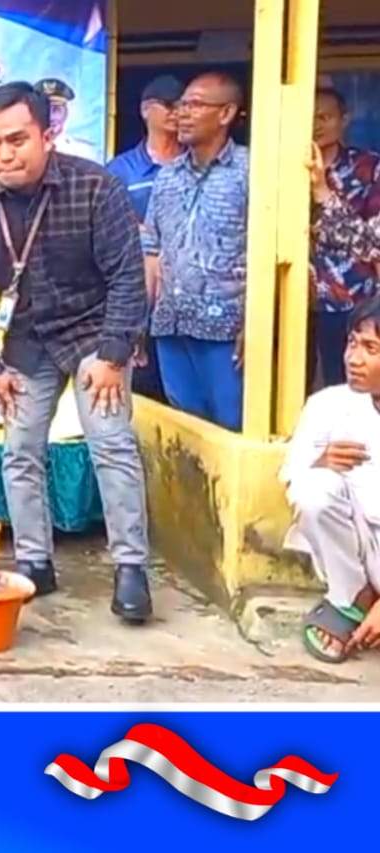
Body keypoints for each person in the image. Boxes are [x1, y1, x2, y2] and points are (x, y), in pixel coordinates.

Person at [0, 81, 152, 623]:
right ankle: (35, 561)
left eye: (17, 139)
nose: (4, 153)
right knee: (19, 450)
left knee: (110, 444)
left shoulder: (95, 188)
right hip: (25, 342)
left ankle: (131, 568)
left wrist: (113, 354)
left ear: (48, 134)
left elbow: (128, 278)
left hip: (93, 337)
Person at [143, 72, 249, 432]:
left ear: (226, 113)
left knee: (230, 428)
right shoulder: (167, 176)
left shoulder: (252, 171)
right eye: (180, 105)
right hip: (171, 326)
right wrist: (140, 324)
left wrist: (257, 323)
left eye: (195, 104)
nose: (183, 113)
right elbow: (152, 251)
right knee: (184, 433)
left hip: (227, 332)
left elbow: (270, 253)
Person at [280, 295, 380, 663]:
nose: (354, 359)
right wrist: (321, 462)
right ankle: (352, 598)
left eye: (371, 348)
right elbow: (294, 481)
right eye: (353, 343)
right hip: (361, 549)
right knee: (314, 487)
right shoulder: (328, 405)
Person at [106, 75, 184, 404]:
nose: (176, 112)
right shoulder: (120, 171)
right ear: (144, 110)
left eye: (182, 105)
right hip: (138, 298)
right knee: (141, 391)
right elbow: (107, 233)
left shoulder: (198, 164)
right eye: (167, 105)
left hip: (188, 297)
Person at [306, 88, 380, 390]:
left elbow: (369, 243)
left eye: (325, 117)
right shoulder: (280, 166)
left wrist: (324, 192)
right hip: (292, 295)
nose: (316, 125)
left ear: (344, 119)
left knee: (347, 386)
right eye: (309, 117)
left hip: (351, 296)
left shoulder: (368, 168)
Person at [35, 78, 102, 162]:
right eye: (45, 109)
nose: (51, 117)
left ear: (65, 113)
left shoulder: (85, 153)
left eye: (56, 109)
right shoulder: (22, 151)